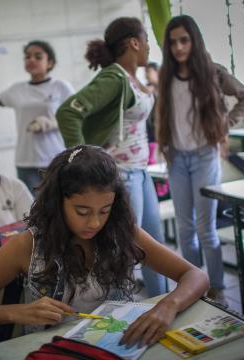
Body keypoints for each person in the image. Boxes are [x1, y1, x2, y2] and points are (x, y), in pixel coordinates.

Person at [0, 145, 209, 348]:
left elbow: (196, 276)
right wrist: (16, 312)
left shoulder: (121, 232)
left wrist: (167, 306)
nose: (94, 222)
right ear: (58, 203)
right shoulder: (29, 244)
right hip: (51, 349)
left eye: (104, 210)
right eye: (82, 211)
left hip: (115, 345)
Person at [56, 17, 166, 297]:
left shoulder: (133, 78)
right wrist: (80, 157)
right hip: (120, 175)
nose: (149, 48)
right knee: (122, 252)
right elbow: (68, 111)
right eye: (146, 41)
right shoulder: (114, 77)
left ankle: (163, 303)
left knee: (153, 245)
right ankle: (117, 318)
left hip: (141, 172)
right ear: (133, 42)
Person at [156, 15, 244, 305]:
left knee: (206, 229)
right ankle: (194, 288)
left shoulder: (212, 72)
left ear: (194, 40)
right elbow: (164, 114)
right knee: (186, 232)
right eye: (173, 42)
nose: (178, 47)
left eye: (184, 40)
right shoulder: (165, 75)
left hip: (204, 158)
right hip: (176, 158)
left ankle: (218, 288)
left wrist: (225, 124)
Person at [0, 40, 74, 193]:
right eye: (27, 56)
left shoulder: (61, 87)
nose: (31, 60)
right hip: (26, 162)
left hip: (56, 159)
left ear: (49, 63)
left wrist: (51, 123)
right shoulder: (17, 89)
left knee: (61, 207)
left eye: (38, 57)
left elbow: (78, 116)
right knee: (35, 211)